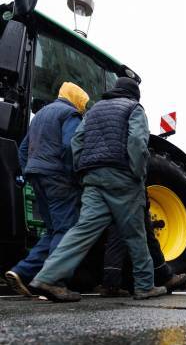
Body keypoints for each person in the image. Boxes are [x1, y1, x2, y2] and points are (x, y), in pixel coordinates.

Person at [29, 77, 167, 302]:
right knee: (135, 233)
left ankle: (49, 277)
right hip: (122, 177)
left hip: (93, 178)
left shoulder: (93, 110)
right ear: (134, 95)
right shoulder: (134, 108)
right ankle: (144, 285)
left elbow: (77, 141)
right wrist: (138, 174)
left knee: (82, 230)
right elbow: (137, 143)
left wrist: (81, 171)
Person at [5, 82, 89, 297]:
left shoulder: (41, 115)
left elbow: (23, 149)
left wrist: (28, 170)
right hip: (58, 178)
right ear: (76, 99)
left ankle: (22, 272)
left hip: (37, 176)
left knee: (52, 230)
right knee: (67, 229)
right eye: (84, 103)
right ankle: (54, 281)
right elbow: (70, 146)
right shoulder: (70, 114)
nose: (84, 107)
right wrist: (73, 176)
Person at [98, 193, 186, 297]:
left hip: (112, 192)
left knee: (116, 234)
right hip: (130, 192)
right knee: (144, 235)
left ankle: (111, 285)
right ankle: (150, 283)